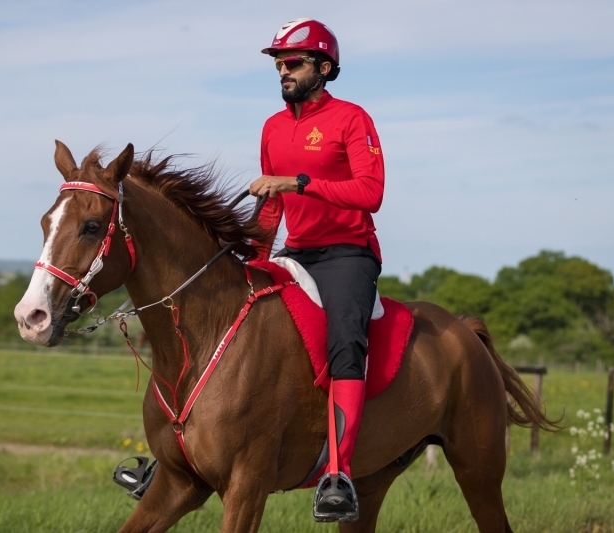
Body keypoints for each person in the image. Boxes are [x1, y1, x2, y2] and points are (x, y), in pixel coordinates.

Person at [249, 18, 384, 522]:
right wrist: (255, 259)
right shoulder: (272, 126)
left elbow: (371, 193)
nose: (283, 69)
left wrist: (297, 181)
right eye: (279, 62)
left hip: (349, 252)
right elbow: (270, 208)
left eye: (294, 61)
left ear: (324, 68)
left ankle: (338, 475)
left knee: (346, 342)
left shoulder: (352, 119)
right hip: (295, 251)